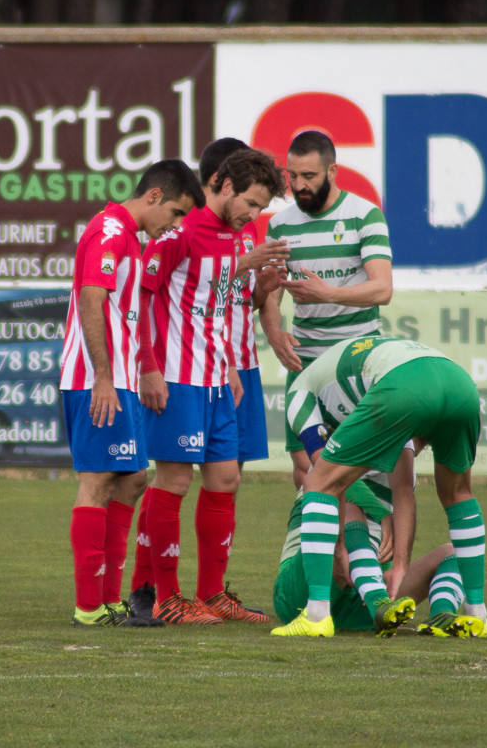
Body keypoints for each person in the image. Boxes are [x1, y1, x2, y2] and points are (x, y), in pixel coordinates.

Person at [126, 138, 285, 619]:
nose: (253, 214)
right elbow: (145, 296)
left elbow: (213, 306)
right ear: (226, 184)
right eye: (251, 203)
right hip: (178, 377)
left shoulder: (231, 234)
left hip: (218, 377)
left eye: (261, 207)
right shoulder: (180, 230)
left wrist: (230, 366)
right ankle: (163, 597)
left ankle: (213, 594)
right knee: (173, 478)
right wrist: (149, 367)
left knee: (226, 477)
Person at [60, 159, 205, 627]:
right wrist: (103, 376)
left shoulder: (130, 238)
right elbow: (91, 299)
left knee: (132, 479)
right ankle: (89, 606)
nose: (177, 224)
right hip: (94, 379)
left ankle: (108, 599)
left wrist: (140, 369)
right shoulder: (109, 232)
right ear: (155, 197)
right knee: (99, 481)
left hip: (120, 376)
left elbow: (127, 312)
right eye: (178, 213)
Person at [270, 335, 487, 639]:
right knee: (458, 494)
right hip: (461, 384)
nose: (425, 443)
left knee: (450, 552)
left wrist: (400, 565)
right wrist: (338, 551)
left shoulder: (377, 401)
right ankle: (476, 612)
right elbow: (318, 479)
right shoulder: (301, 391)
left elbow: (402, 491)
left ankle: (434, 612)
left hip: (406, 383)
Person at [259, 130, 394, 493]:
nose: (298, 185)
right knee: (305, 469)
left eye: (309, 176)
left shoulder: (364, 215)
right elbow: (271, 294)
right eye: (292, 176)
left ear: (332, 171)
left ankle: (358, 545)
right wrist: (273, 333)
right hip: (305, 363)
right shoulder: (280, 224)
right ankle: (327, 550)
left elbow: (383, 289)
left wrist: (328, 292)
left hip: (357, 360)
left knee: (361, 465)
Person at [273, 479, 468, 637]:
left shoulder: (403, 458)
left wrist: (393, 568)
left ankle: (441, 617)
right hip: (304, 592)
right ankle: (378, 604)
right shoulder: (340, 444)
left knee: (454, 553)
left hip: (361, 593)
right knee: (348, 509)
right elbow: (331, 479)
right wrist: (383, 515)